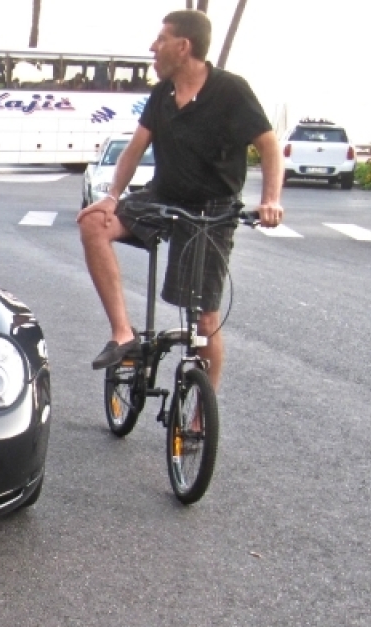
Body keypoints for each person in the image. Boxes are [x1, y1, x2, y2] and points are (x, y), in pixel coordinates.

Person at [75, 9, 283, 391]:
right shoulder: (162, 94)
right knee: (92, 223)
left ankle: (204, 413)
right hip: (162, 196)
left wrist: (271, 200)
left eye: (161, 39)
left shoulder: (230, 90)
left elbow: (269, 147)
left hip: (212, 210)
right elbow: (135, 150)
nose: (153, 48)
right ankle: (123, 333)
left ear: (183, 47)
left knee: (204, 322)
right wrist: (111, 197)